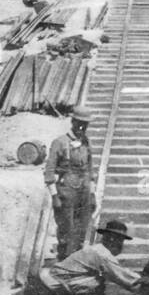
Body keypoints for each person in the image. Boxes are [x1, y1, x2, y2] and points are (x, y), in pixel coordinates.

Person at [44, 108, 94, 257]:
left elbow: (90, 170)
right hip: (66, 191)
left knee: (82, 228)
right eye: (79, 124)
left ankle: (76, 264)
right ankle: (63, 262)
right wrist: (54, 196)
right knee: (66, 229)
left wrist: (91, 194)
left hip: (84, 191)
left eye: (85, 125)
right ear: (73, 122)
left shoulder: (86, 142)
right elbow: (49, 172)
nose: (82, 128)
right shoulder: (60, 142)